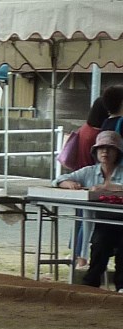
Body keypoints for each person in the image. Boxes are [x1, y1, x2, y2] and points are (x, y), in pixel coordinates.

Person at [55, 130, 123, 291]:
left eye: (110, 148)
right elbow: (59, 179)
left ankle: (121, 286)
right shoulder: (89, 171)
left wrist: (109, 188)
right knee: (100, 242)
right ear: (95, 152)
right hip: (101, 223)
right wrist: (68, 183)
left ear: (118, 152)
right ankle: (90, 287)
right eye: (101, 148)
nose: (105, 152)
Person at [70, 97, 111, 267]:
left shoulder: (84, 130)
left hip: (80, 177)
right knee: (88, 223)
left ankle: (76, 255)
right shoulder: (97, 135)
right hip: (91, 179)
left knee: (81, 222)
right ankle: (81, 257)